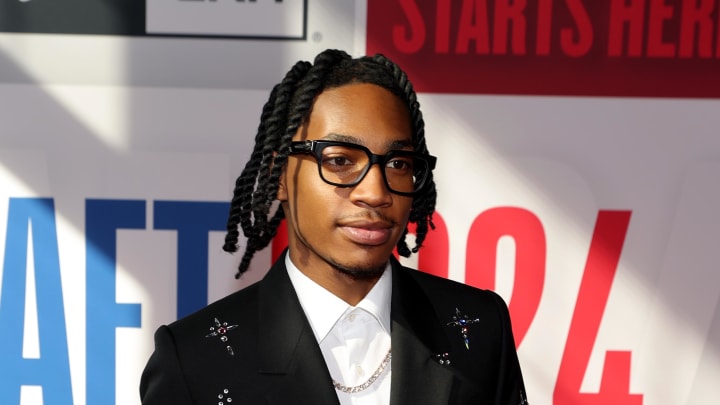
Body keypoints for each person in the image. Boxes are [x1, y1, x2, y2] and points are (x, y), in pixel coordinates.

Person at [140, 49, 528, 405]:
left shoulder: (478, 327)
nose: (375, 193)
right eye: (340, 160)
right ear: (279, 175)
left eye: (398, 164)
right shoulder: (194, 359)